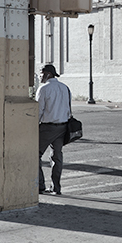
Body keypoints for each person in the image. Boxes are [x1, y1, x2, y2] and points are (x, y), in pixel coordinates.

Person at [36, 63, 71, 195]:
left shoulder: (44, 89)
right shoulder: (65, 88)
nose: (39, 77)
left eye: (41, 73)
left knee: (35, 154)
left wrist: (34, 125)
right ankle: (56, 187)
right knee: (57, 156)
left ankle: (40, 185)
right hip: (63, 126)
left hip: (47, 127)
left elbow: (38, 110)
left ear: (47, 74)